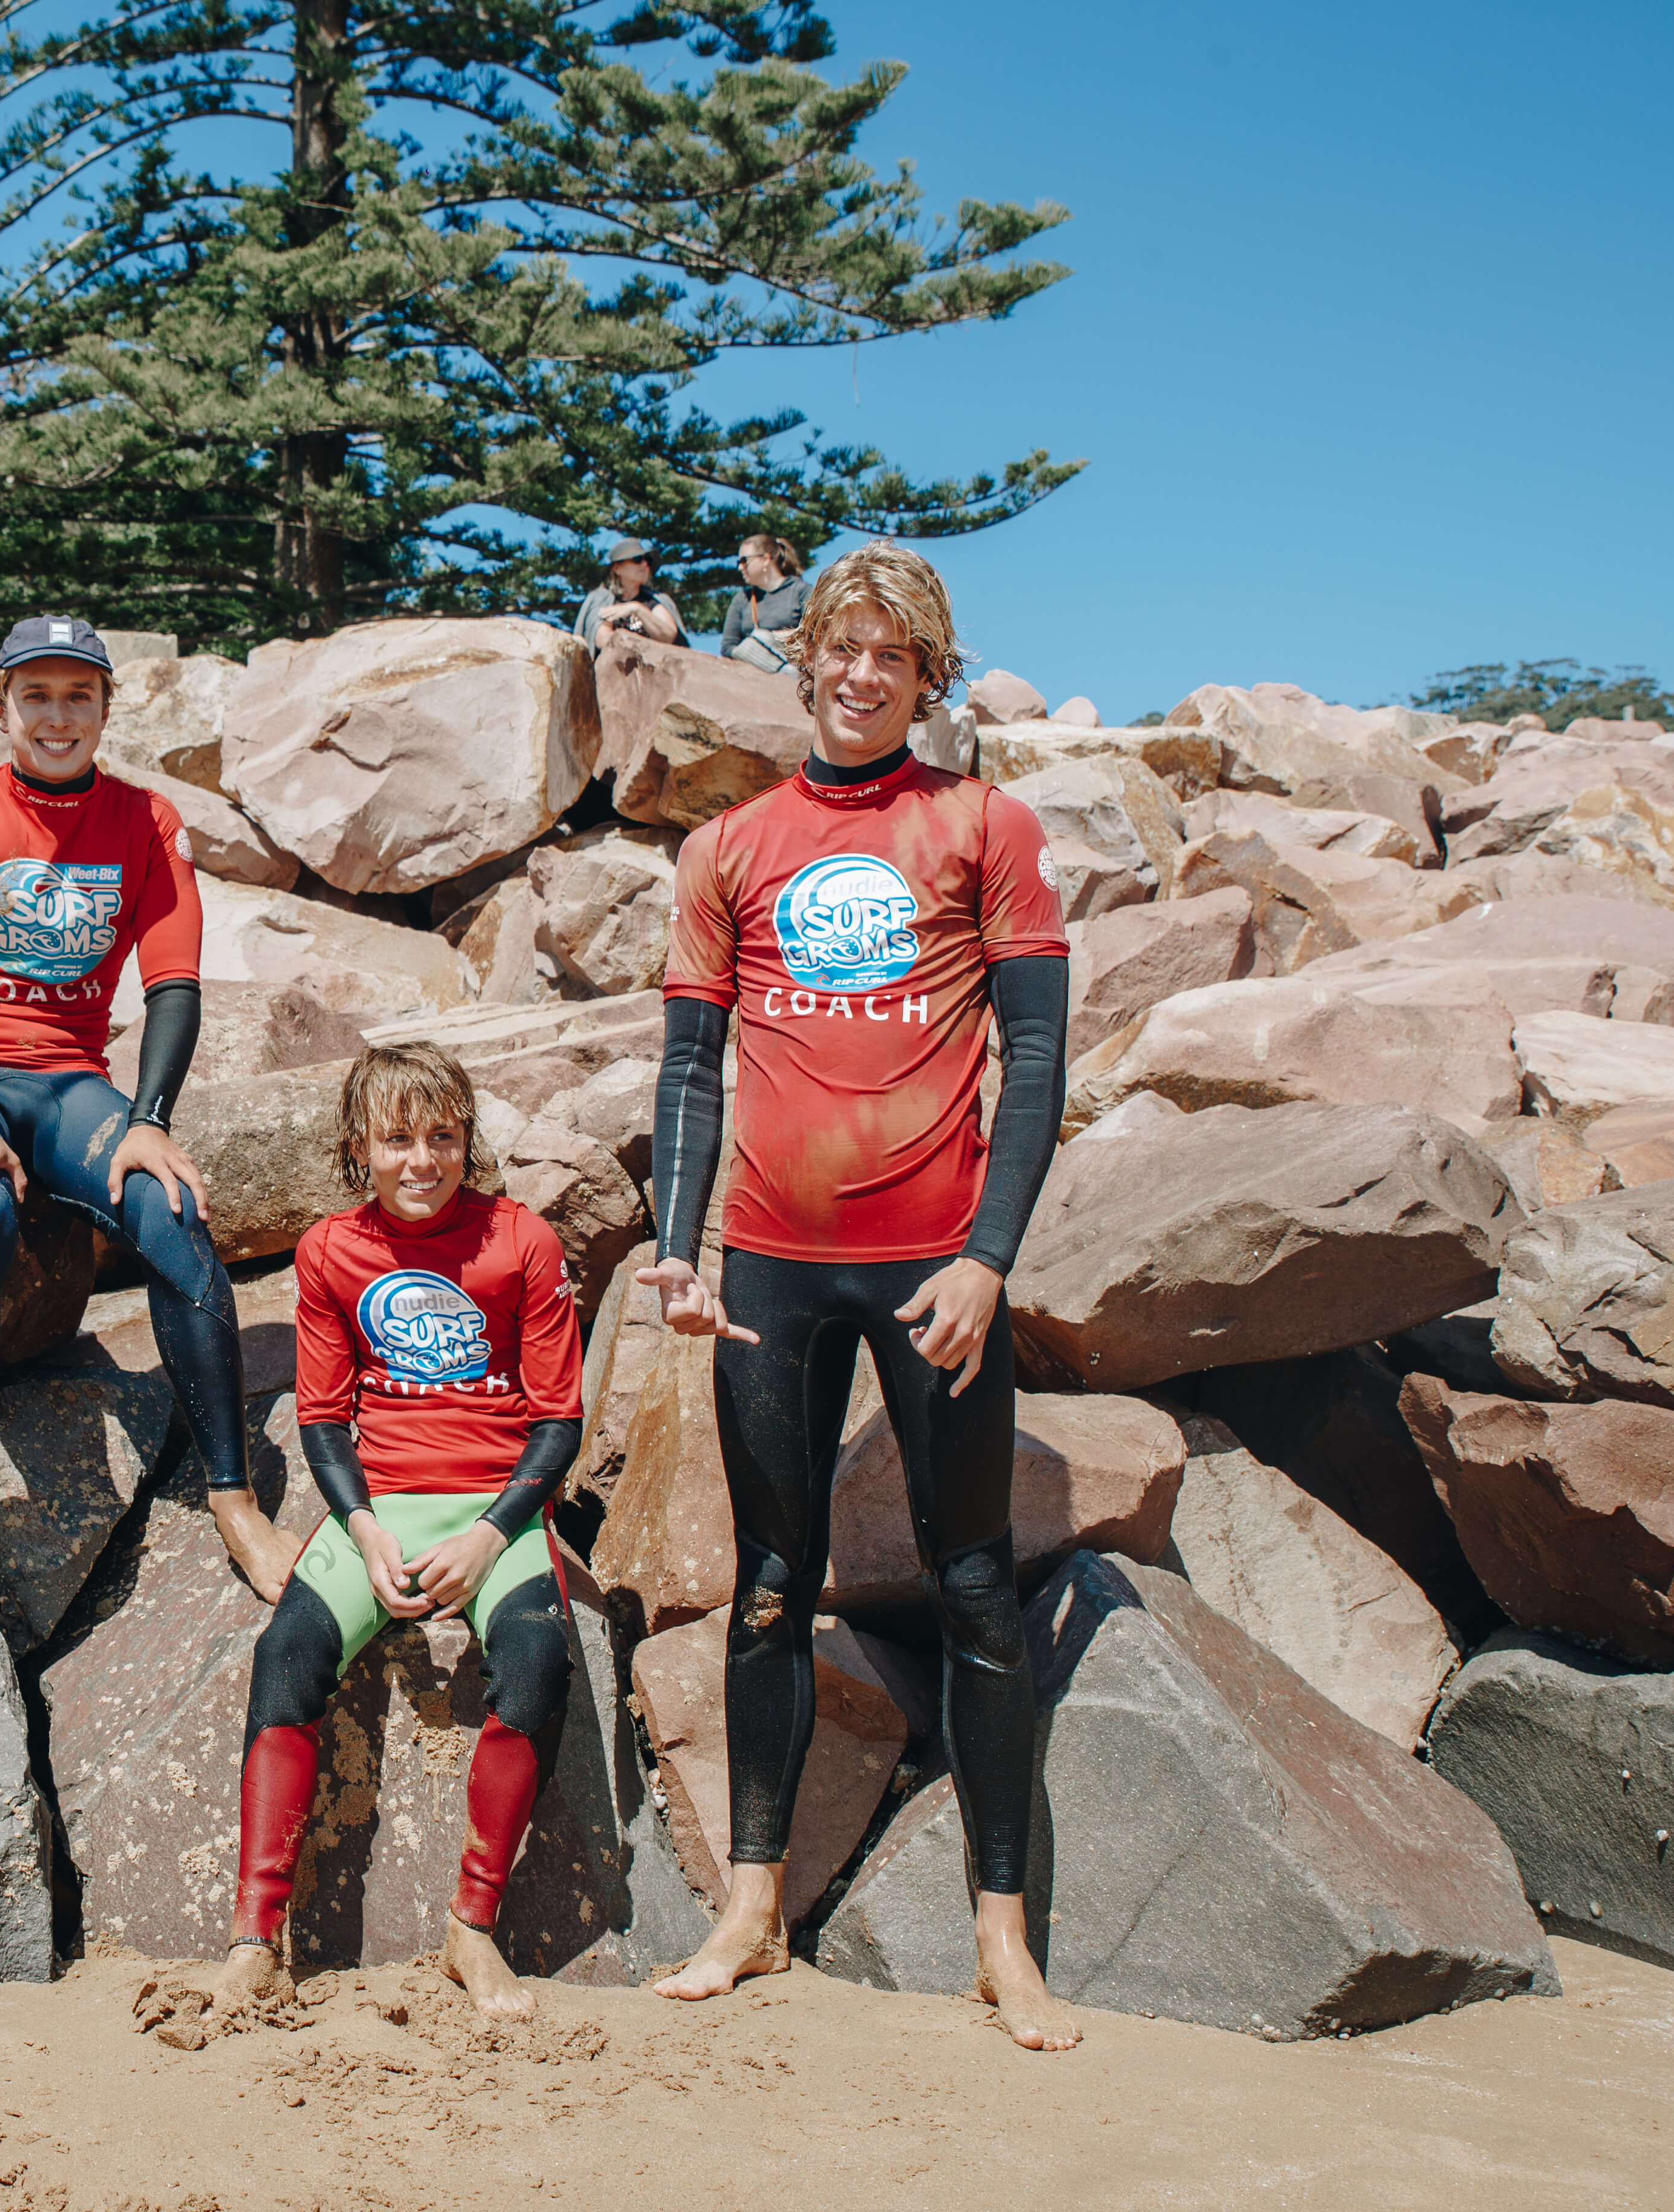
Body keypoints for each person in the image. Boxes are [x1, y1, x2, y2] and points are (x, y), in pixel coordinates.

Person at [633, 543, 1084, 2051]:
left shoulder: (980, 827)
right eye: (836, 650)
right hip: (765, 1267)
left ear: (923, 676)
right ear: (804, 660)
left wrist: (987, 1256)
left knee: (971, 1587)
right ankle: (753, 1913)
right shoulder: (733, 845)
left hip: (932, 1269)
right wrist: (676, 1248)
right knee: (769, 1585)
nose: (856, 674)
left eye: (888, 656)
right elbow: (689, 1066)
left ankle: (1000, 1942)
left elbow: (1036, 1066)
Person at [0, 614, 300, 1606]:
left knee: (173, 1213)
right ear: (0, 705)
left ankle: (234, 1499)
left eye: (80, 694)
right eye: (37, 694)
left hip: (74, 1083)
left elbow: (174, 984)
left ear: (109, 707)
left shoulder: (148, 821)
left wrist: (150, 1116)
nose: (58, 715)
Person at [207, 1041, 584, 2025]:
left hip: (494, 1507)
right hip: (382, 1504)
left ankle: (471, 1926)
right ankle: (256, 1938)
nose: (422, 1159)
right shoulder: (331, 1250)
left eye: (443, 1136)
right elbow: (324, 1418)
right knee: (285, 1656)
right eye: (397, 1139)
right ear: (358, 1150)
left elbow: (558, 1421)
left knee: (539, 1662)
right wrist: (364, 1533)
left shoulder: (520, 1241)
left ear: (467, 1143)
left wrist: (491, 1534)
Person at [571, 537, 682, 649]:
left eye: (648, 561)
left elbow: (669, 636)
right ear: (617, 569)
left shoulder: (655, 601)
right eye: (637, 559)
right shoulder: (602, 599)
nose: (645, 565)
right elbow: (603, 640)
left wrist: (636, 609)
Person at [717, 534, 810, 668]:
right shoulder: (741, 600)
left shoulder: (801, 592)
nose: (740, 567)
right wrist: (750, 652)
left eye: (745, 561)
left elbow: (815, 634)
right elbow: (727, 648)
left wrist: (772, 639)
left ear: (766, 559)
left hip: (795, 676)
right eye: (739, 562)